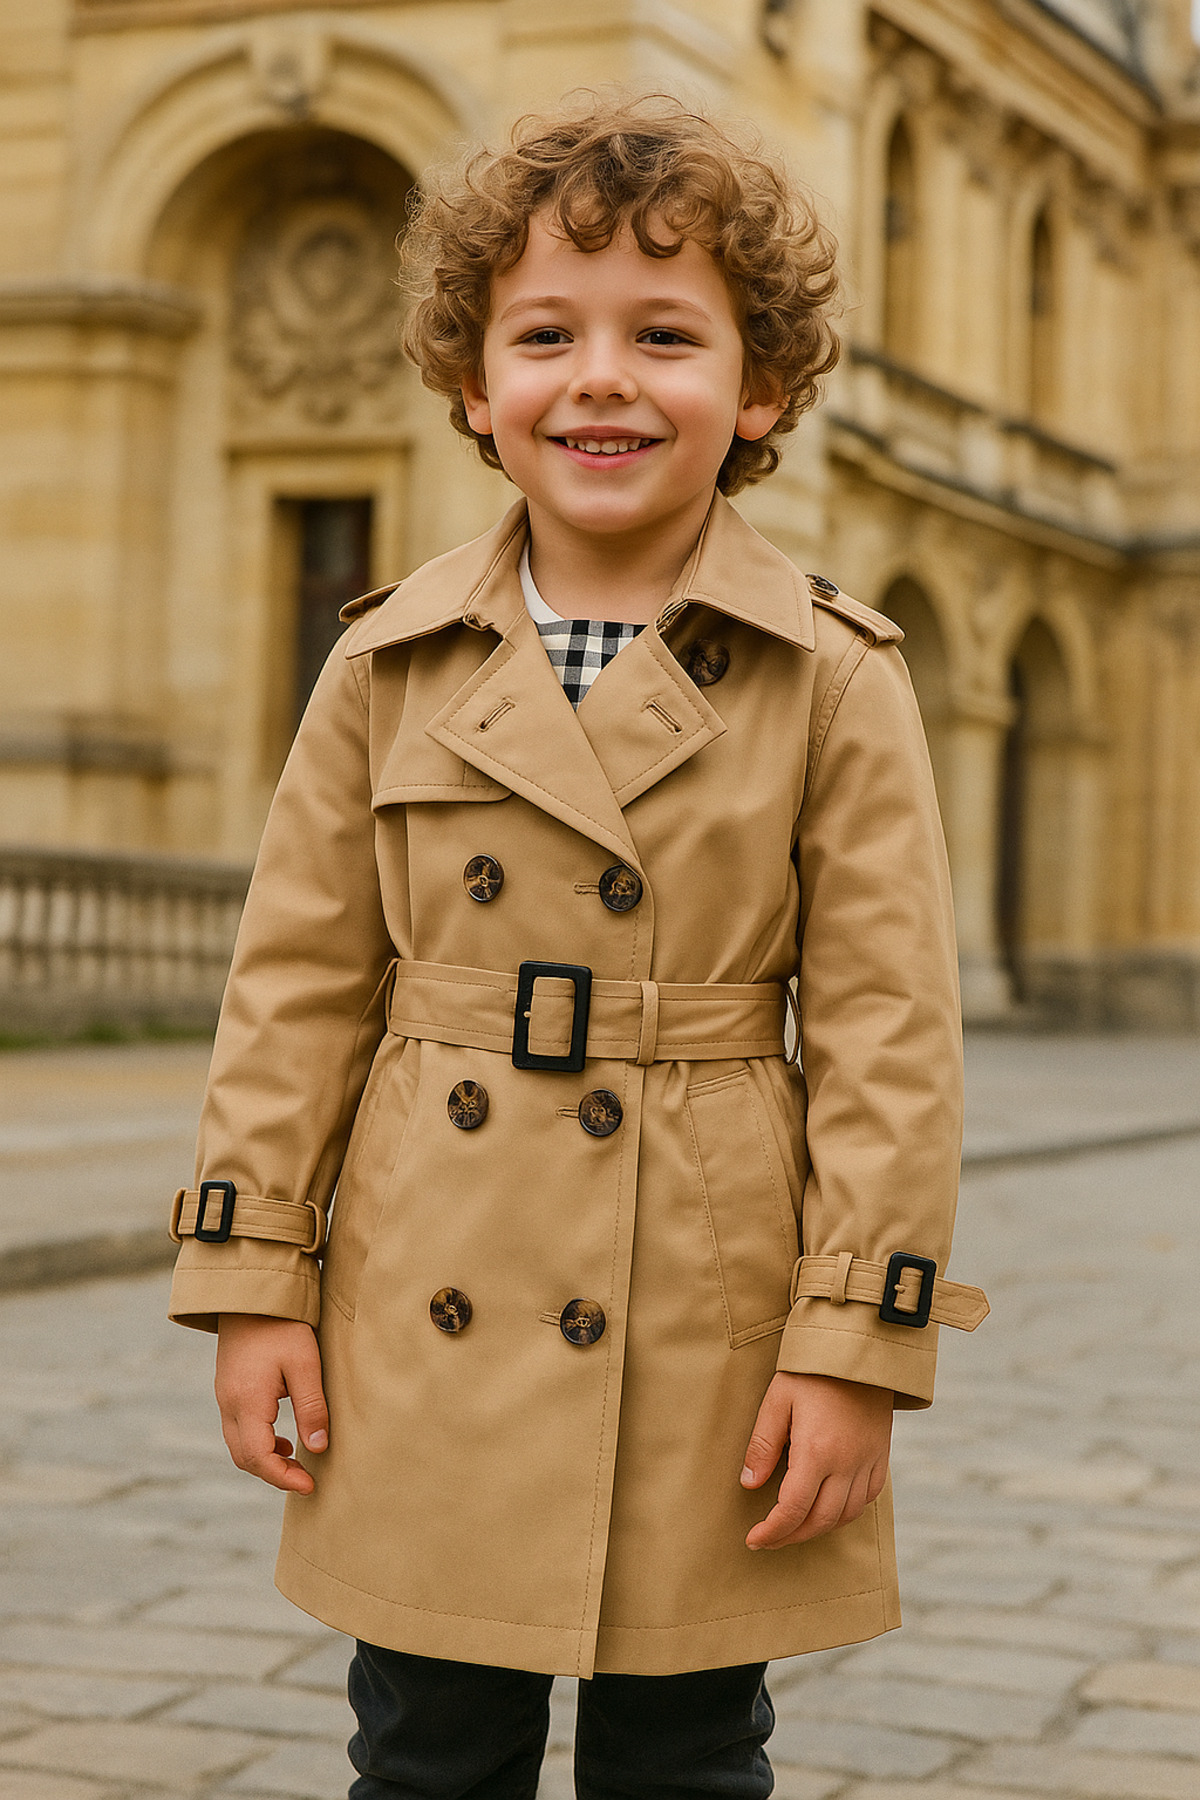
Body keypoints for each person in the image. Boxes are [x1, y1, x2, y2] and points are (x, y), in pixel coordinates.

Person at [167, 94, 988, 1800]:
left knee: (687, 1756)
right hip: (428, 1286)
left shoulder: (834, 675)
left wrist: (855, 1347)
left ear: (760, 389)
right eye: (546, 335)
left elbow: (890, 1039)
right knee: (424, 1749)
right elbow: (294, 993)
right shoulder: (386, 660)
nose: (600, 379)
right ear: (475, 385)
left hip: (701, 1307)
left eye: (664, 336)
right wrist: (254, 1285)